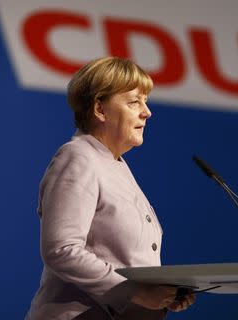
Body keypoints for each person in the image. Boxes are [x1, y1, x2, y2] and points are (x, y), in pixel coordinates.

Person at [26, 57, 195, 319]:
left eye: (146, 102)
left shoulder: (117, 165)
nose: (146, 112)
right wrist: (136, 292)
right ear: (100, 110)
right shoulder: (79, 157)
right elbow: (61, 250)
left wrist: (161, 295)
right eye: (134, 101)